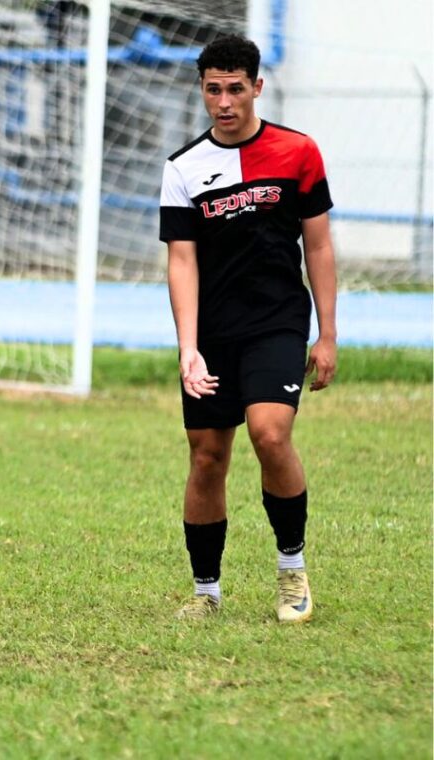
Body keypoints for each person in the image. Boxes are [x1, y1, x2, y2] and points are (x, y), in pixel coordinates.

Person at [159, 35, 337, 622]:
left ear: (257, 86)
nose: (225, 101)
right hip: (213, 333)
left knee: (270, 434)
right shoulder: (182, 168)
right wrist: (188, 348)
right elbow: (181, 259)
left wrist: (327, 334)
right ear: (203, 90)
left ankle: (292, 571)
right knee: (207, 457)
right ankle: (206, 593)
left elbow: (319, 245)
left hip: (277, 324)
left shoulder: (299, 152)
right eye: (214, 89)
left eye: (236, 88)